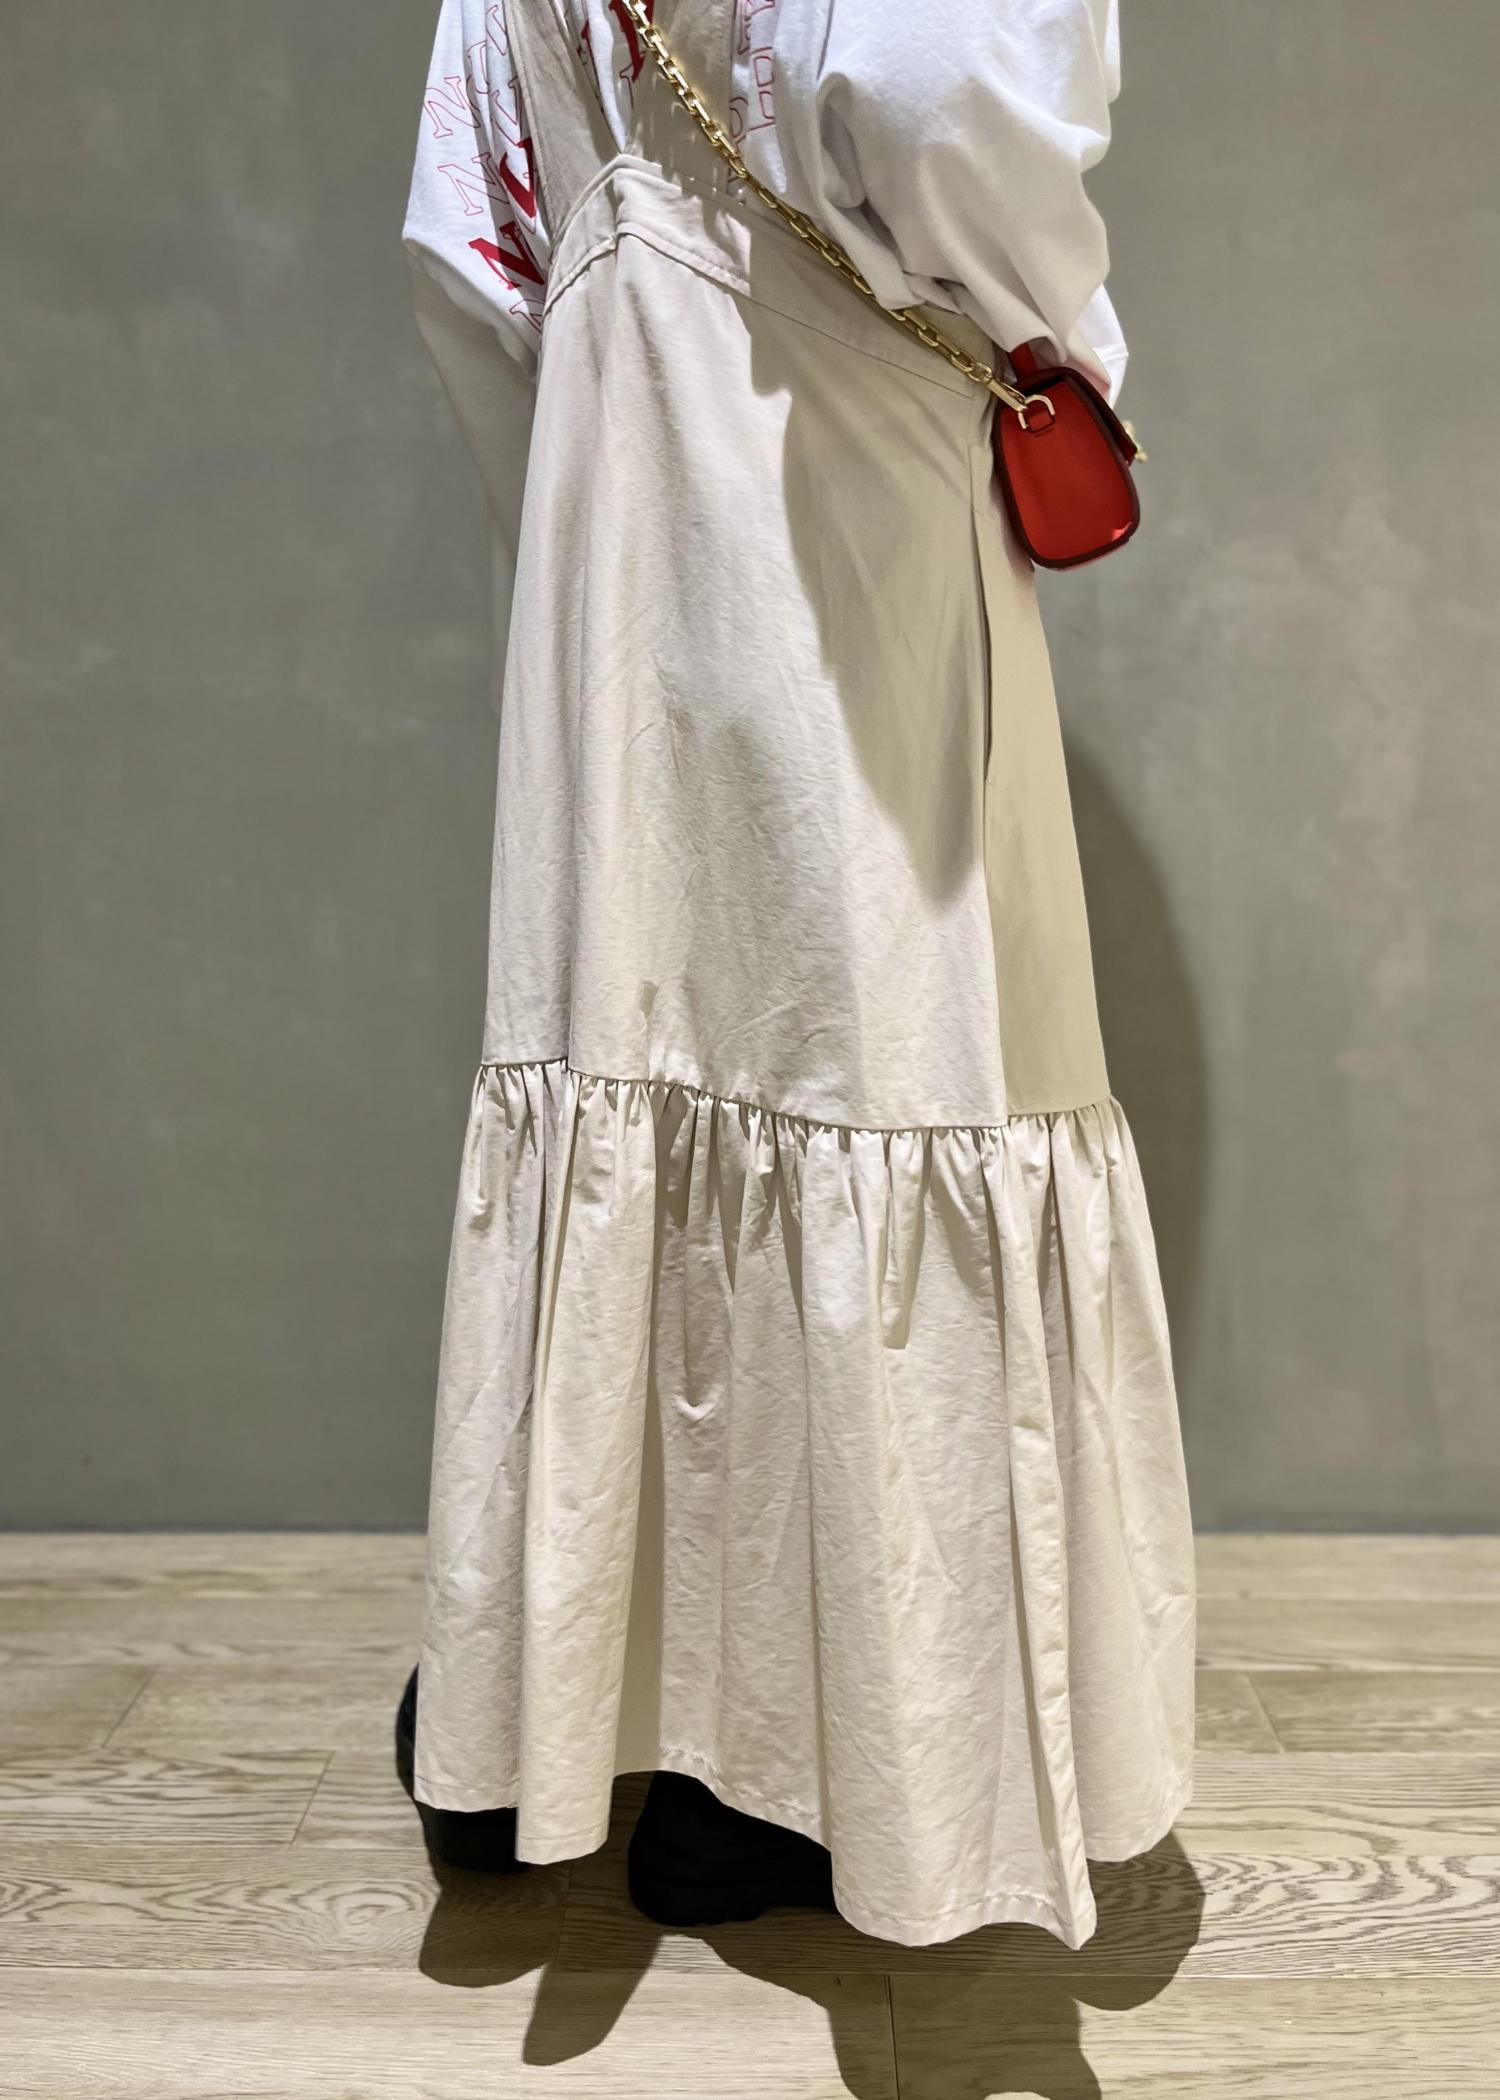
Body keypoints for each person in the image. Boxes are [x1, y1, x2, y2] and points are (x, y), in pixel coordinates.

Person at [396, 0, 1196, 1950]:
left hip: (610, 486)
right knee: (869, 1057)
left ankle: (557, 1703)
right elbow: (936, 92)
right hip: (840, 476)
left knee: (629, 1046)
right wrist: (1058, 336)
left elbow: (462, 254)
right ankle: (816, 1764)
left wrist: (578, 479)